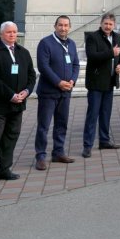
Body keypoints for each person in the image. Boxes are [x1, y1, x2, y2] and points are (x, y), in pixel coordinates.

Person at [0, 22, 36, 187]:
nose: (12, 35)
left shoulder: (23, 52)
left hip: (18, 103)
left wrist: (26, 92)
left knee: (11, 136)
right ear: (1, 34)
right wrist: (11, 95)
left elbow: (32, 75)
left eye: (14, 32)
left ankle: (4, 169)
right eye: (8, 32)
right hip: (0, 104)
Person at [34, 15, 80, 170]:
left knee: (62, 124)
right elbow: (43, 66)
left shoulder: (72, 44)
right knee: (44, 126)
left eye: (66, 25)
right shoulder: (45, 43)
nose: (63, 28)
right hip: (48, 92)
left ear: (70, 27)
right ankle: (40, 156)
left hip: (66, 92)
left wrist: (72, 81)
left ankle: (58, 152)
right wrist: (58, 82)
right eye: (60, 25)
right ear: (55, 26)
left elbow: (76, 65)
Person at [82, 12, 120, 158]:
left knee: (106, 113)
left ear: (114, 25)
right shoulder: (93, 37)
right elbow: (92, 56)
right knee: (93, 115)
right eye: (105, 23)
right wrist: (111, 53)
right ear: (101, 23)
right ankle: (87, 146)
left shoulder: (117, 37)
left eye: (110, 24)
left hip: (110, 82)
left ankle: (104, 141)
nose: (108, 26)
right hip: (96, 82)